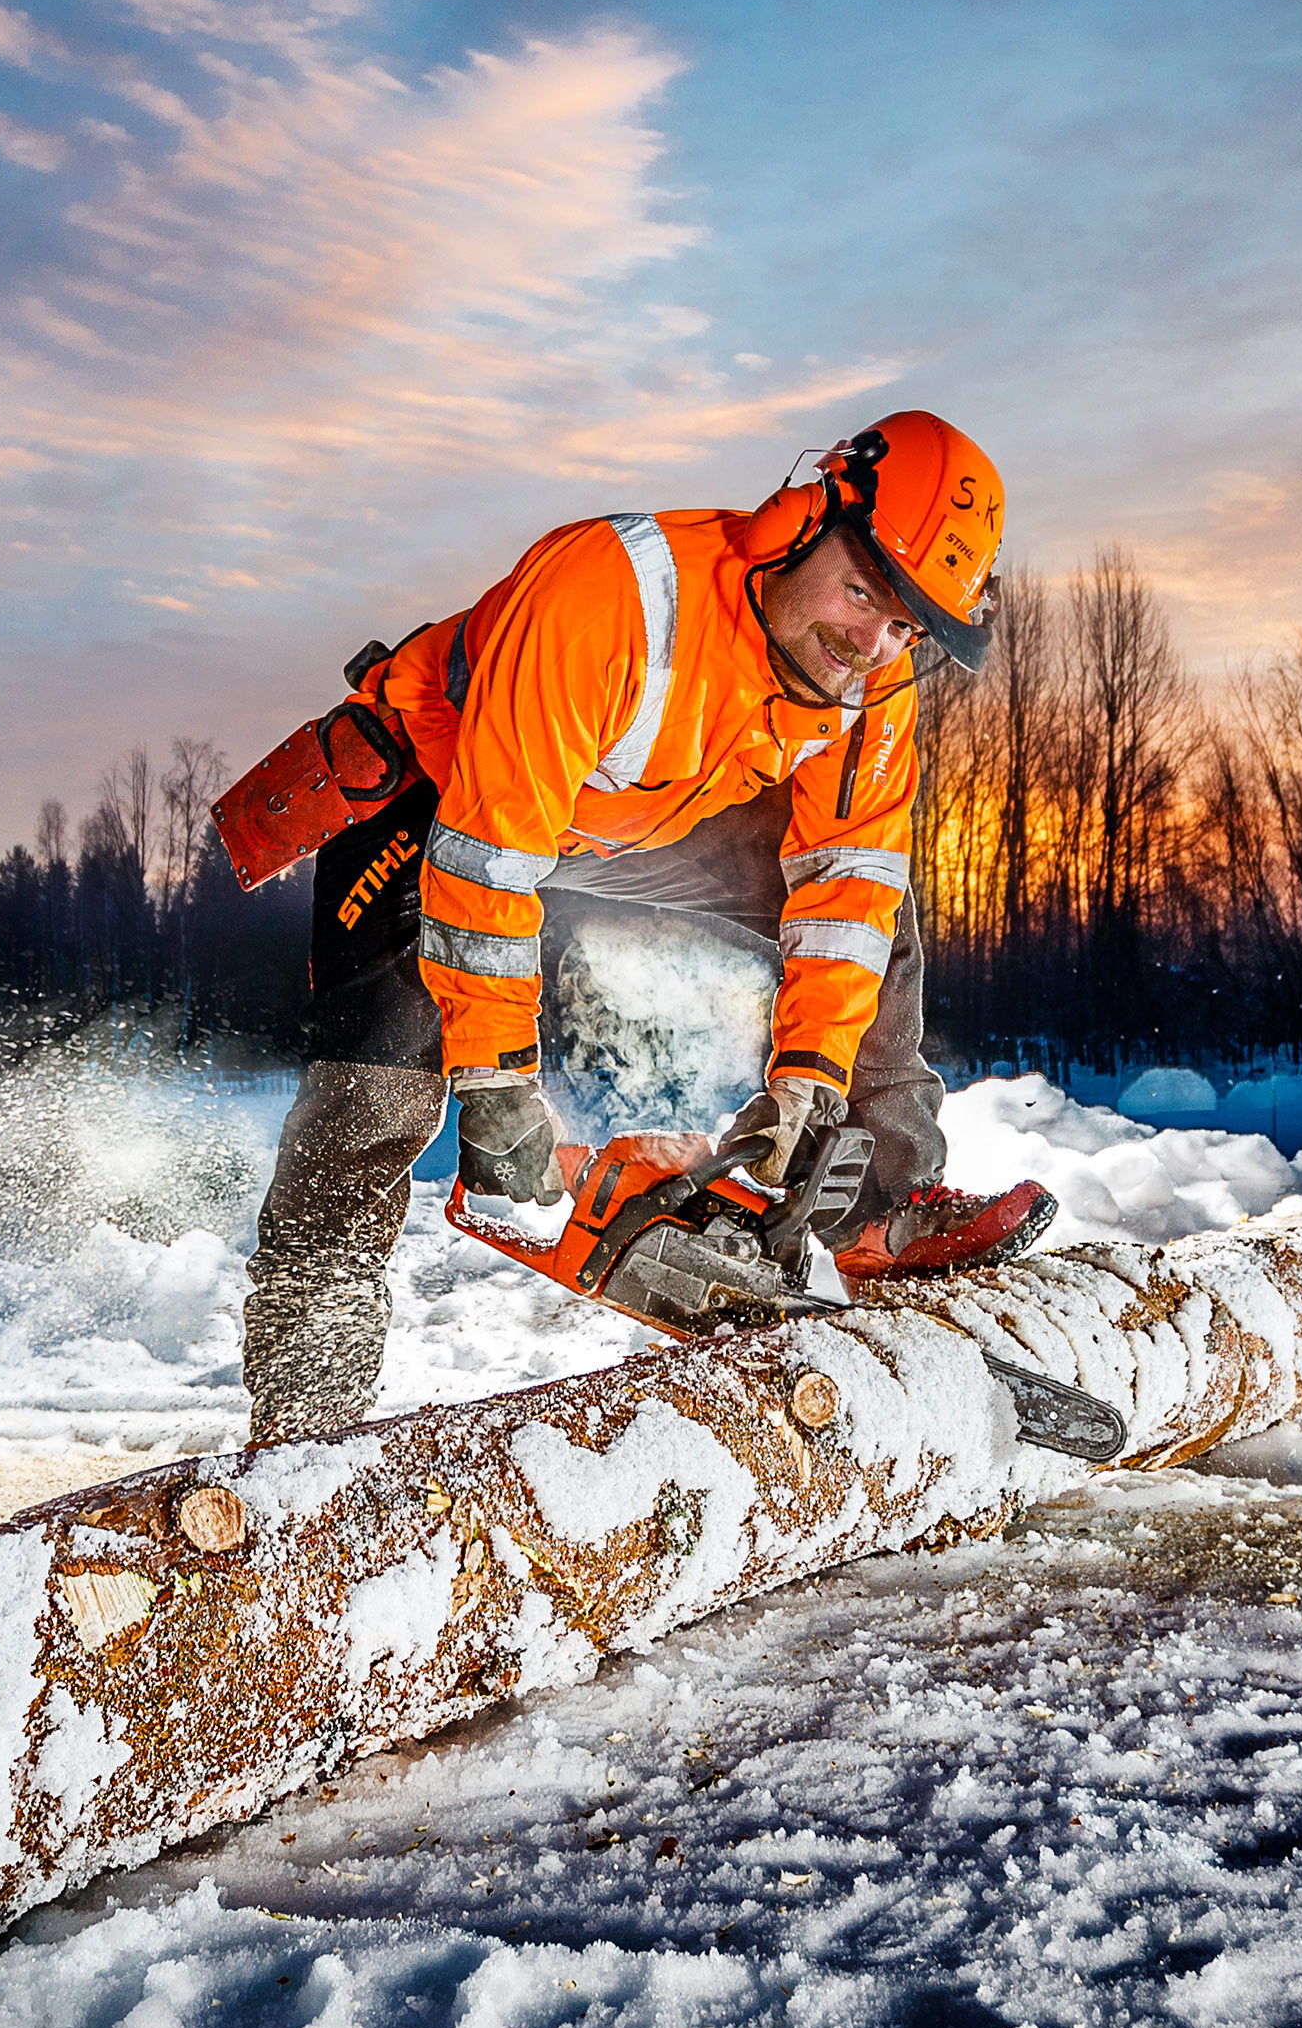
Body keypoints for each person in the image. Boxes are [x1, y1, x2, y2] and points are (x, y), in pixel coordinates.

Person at [241, 411, 1058, 1444]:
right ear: (801, 521)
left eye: (906, 628)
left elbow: (847, 888)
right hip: (443, 794)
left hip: (633, 814)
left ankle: (881, 1212)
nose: (871, 646)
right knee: (371, 1101)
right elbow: (488, 857)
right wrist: (495, 1084)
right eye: (862, 594)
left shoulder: (871, 680)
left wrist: (807, 1082)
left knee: (873, 902)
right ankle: (303, 1416)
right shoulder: (611, 597)